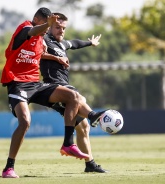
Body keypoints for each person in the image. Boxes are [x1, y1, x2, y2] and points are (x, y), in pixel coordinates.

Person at [0, 7, 106, 178]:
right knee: (25, 122)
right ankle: (8, 168)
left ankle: (69, 143)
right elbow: (34, 30)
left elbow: (66, 46)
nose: (53, 29)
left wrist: (89, 43)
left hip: (36, 83)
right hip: (17, 83)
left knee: (74, 98)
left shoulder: (45, 41)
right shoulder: (25, 28)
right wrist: (47, 26)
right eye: (50, 25)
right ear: (37, 19)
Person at [40, 12, 107, 173]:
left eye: (63, 28)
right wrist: (55, 58)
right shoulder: (44, 40)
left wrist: (90, 43)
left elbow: (74, 43)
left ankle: (89, 163)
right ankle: (93, 115)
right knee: (79, 97)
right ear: (50, 27)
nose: (61, 31)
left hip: (64, 88)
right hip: (54, 87)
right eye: (57, 27)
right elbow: (38, 52)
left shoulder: (62, 44)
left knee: (83, 127)